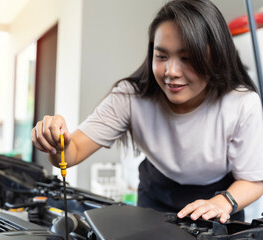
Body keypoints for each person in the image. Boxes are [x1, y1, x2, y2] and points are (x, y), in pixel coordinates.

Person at [31, 0, 263, 223]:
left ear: (216, 56)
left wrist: (224, 202)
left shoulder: (241, 103)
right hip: (155, 196)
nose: (171, 71)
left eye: (187, 58)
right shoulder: (130, 97)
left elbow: (254, 180)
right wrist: (57, 142)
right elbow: (73, 152)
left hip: (220, 200)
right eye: (161, 56)